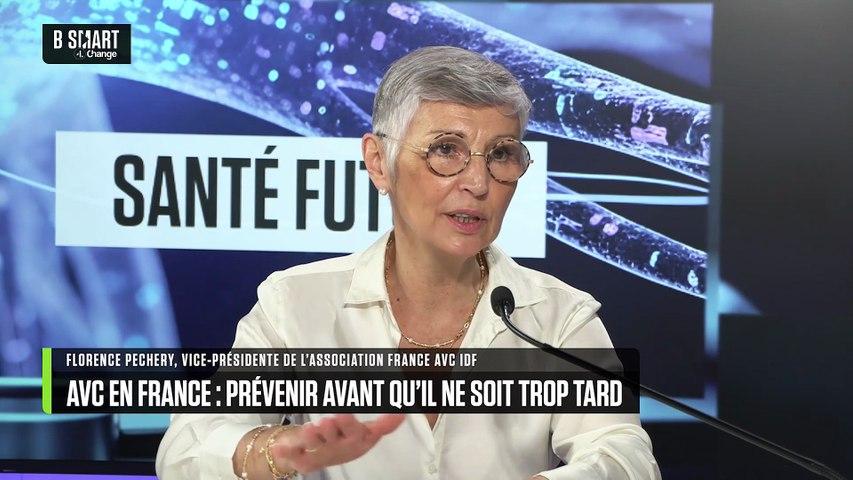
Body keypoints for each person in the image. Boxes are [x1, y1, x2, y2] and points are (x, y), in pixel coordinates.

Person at [156, 46, 661, 480]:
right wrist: (274, 450)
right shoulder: (297, 300)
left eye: (501, 154)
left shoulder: (558, 315)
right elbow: (184, 450)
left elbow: (624, 454)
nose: (478, 183)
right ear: (379, 162)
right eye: (446, 150)